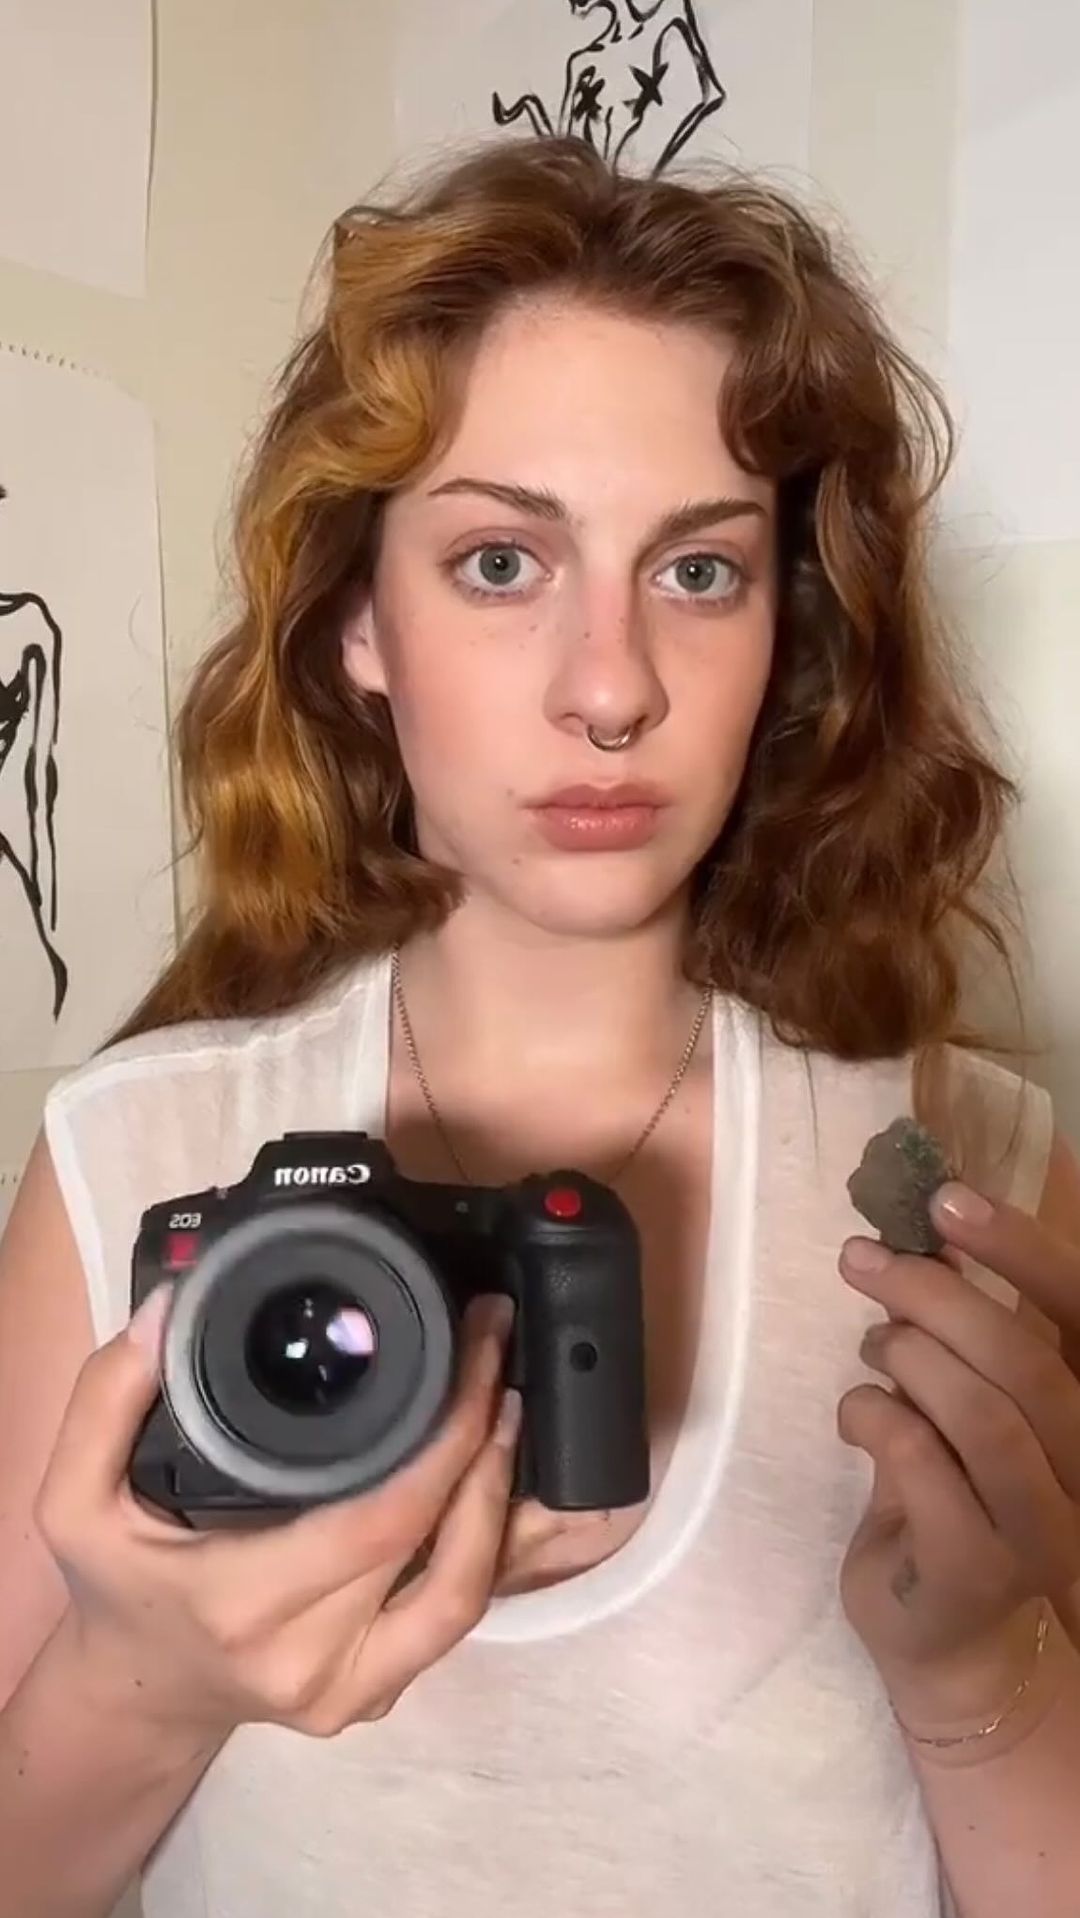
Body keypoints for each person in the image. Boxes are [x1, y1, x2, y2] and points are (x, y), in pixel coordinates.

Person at [1, 134, 1080, 1918]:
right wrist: (149, 1686)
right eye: (502, 561)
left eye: (700, 572)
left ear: (790, 630)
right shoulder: (130, 1161)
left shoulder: (966, 1182)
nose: (611, 687)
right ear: (359, 622)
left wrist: (984, 1681)